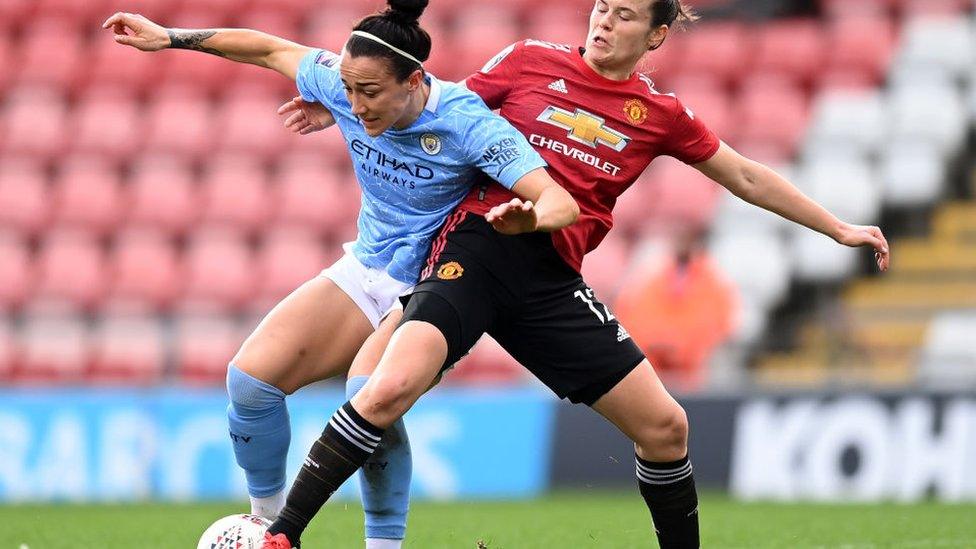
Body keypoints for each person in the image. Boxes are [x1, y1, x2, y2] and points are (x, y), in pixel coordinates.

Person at [267, 0, 891, 547]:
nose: (603, 22)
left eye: (624, 15)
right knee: (384, 390)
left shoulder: (661, 114)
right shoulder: (530, 60)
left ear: (656, 35)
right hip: (477, 251)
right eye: (600, 8)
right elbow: (437, 110)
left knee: (667, 428)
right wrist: (347, 114)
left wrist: (837, 227)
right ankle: (282, 536)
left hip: (551, 282)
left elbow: (746, 174)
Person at [102, 3, 579, 549]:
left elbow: (559, 201)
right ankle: (267, 526)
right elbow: (270, 49)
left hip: (432, 281)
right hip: (367, 266)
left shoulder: (468, 123)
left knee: (366, 395)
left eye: (370, 92)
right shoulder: (348, 86)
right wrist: (169, 37)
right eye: (347, 90)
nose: (354, 104)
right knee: (250, 382)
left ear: (415, 81)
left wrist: (530, 218)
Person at [614, 226, 737, 391]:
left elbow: (717, 322)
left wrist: (681, 348)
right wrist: (655, 342)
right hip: (651, 366)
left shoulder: (713, 281)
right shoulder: (653, 276)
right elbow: (632, 314)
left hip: (694, 373)